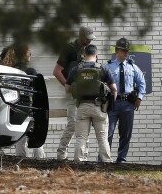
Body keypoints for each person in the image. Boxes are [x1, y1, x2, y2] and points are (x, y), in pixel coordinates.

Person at [65, 44, 117, 162]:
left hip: (82, 107)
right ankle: (107, 162)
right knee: (102, 137)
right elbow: (114, 89)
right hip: (99, 108)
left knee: (81, 137)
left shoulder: (76, 69)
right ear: (97, 56)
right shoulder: (103, 68)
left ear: (84, 55)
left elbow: (67, 89)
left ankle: (79, 162)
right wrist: (110, 104)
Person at [53, 26, 96, 160]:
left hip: (86, 95)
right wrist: (68, 86)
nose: (89, 42)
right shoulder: (69, 49)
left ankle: (83, 157)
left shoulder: (90, 50)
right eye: (87, 39)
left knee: (85, 124)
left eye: (90, 39)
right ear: (81, 36)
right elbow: (57, 71)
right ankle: (61, 153)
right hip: (72, 94)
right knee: (72, 123)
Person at [0, 43, 46, 159]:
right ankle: (40, 162)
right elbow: (36, 91)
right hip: (28, 107)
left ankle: (21, 162)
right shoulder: (30, 71)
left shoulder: (7, 70)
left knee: (20, 140)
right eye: (28, 51)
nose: (30, 54)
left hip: (13, 108)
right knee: (36, 138)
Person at [106, 38, 147, 163]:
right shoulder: (108, 67)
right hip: (112, 103)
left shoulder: (133, 67)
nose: (126, 53)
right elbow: (101, 84)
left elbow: (142, 83)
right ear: (117, 51)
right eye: (123, 51)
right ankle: (104, 158)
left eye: (127, 51)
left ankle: (121, 159)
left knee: (126, 133)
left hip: (128, 104)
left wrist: (139, 97)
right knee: (108, 132)